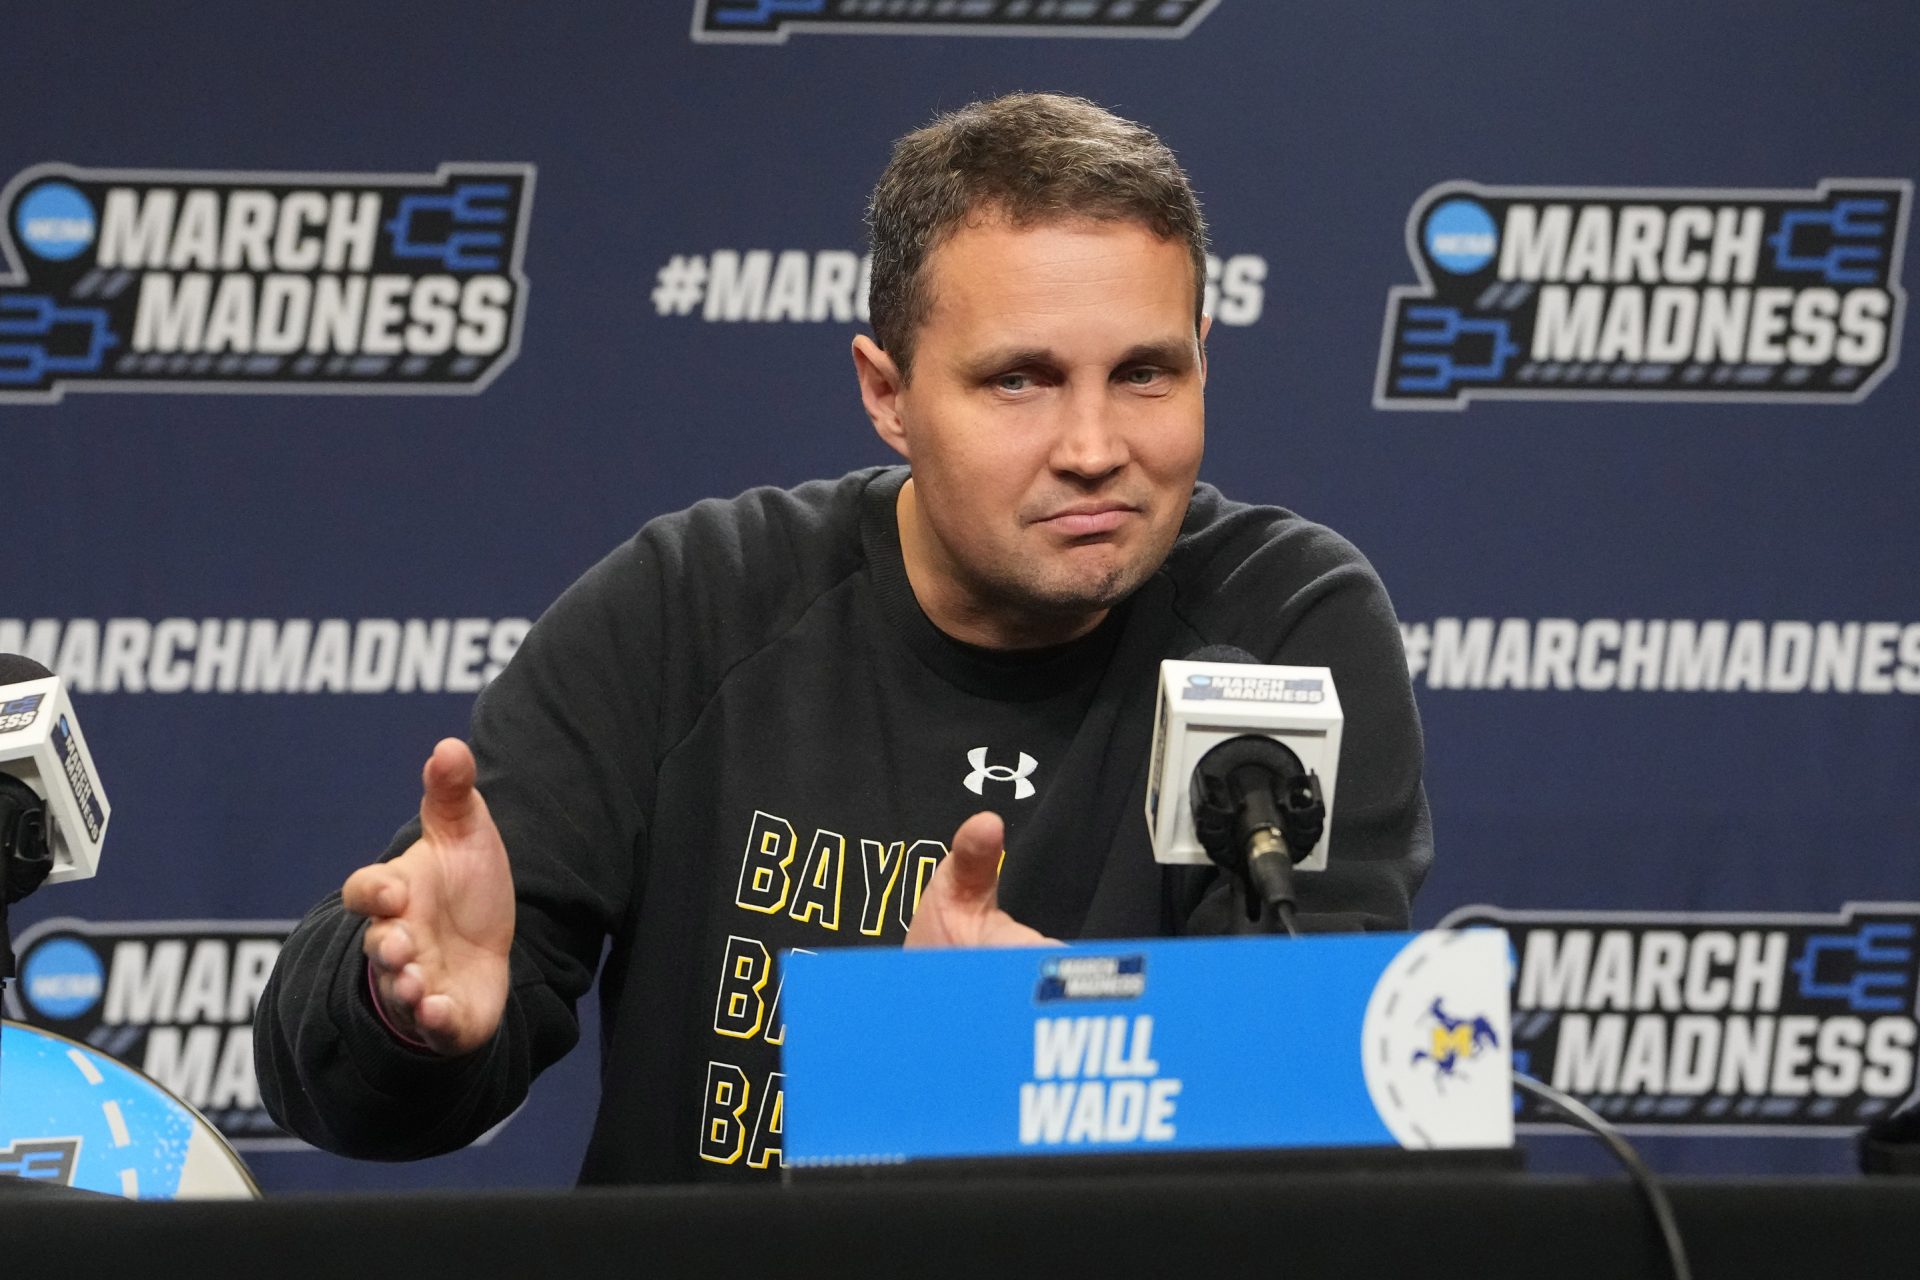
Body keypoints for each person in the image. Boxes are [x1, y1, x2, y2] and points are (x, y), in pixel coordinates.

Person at [254, 92, 1432, 1184]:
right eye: (1018, 380)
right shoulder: (692, 604)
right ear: (887, 390)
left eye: (1144, 373)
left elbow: (1323, 1102)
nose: (1092, 443)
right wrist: (395, 1008)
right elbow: (340, 1094)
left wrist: (1035, 1045)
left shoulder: (1285, 621)